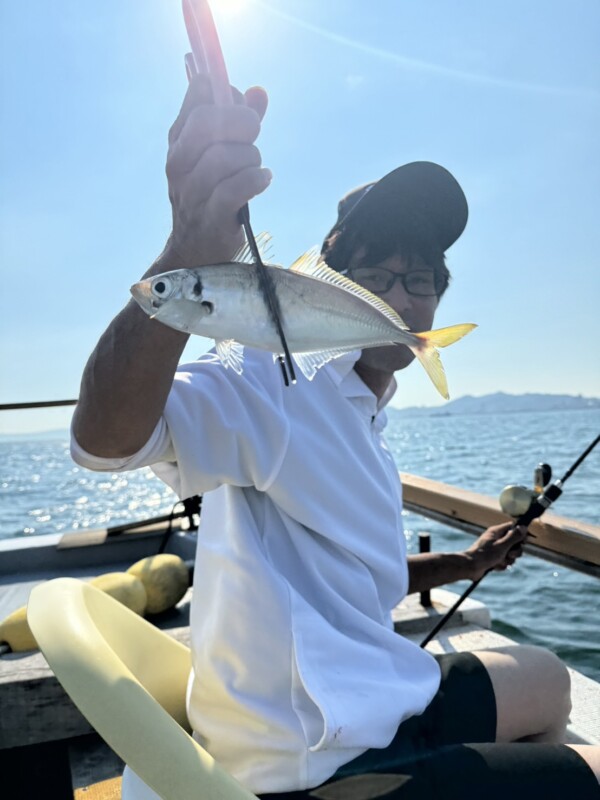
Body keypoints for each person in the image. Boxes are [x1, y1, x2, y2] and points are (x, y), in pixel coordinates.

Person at [71, 74, 600, 799]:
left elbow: (352, 581)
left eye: (421, 278)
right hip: (315, 766)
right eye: (375, 275)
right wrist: (185, 251)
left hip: (378, 700)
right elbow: (104, 442)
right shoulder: (274, 381)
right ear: (325, 286)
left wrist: (464, 561)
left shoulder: (364, 420)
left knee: (547, 680)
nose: (401, 297)